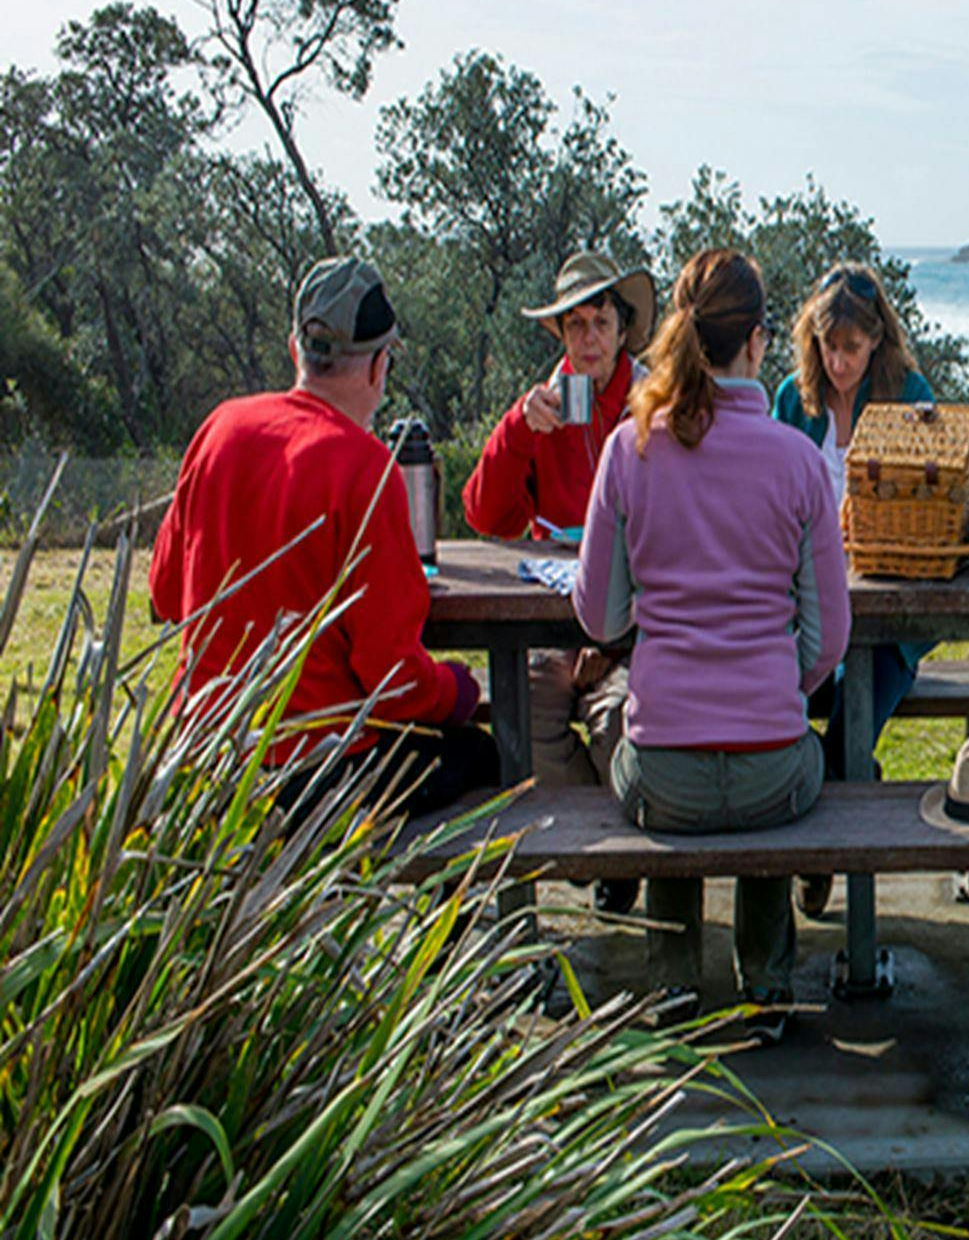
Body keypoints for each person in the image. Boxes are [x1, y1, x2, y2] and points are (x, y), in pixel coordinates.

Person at [574, 249, 848, 1040]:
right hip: (773, 773)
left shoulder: (629, 449)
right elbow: (828, 637)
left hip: (663, 777)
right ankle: (765, 986)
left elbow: (599, 617)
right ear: (758, 344)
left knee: (653, 759)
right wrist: (775, 685)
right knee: (780, 762)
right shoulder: (798, 463)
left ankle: (671, 987)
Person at [150, 255, 497, 818]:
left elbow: (166, 597)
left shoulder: (218, 429)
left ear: (296, 351)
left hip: (202, 758)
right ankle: (462, 905)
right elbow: (392, 680)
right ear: (378, 368)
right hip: (312, 775)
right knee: (482, 757)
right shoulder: (365, 468)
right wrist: (459, 690)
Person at [465, 251, 655, 913]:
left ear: (623, 329)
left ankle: (623, 857)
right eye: (574, 326)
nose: (588, 339)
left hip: (636, 628)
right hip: (552, 621)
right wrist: (517, 428)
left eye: (599, 322)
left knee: (617, 731)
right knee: (520, 722)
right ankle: (593, 852)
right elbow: (486, 515)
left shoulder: (655, 405)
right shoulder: (540, 408)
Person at [771, 263, 935, 915]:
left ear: (877, 343)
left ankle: (820, 858)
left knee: (846, 728)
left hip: (889, 616)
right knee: (774, 710)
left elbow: (931, 496)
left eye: (851, 348)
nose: (837, 362)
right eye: (827, 346)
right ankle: (839, 806)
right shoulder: (792, 397)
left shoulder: (909, 393)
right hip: (804, 610)